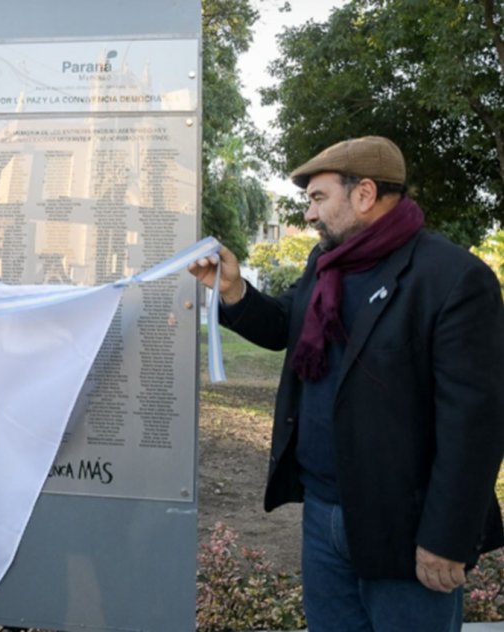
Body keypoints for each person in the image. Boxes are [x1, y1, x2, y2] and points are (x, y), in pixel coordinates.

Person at [189, 136, 504, 631]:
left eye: (318, 198)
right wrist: (233, 290)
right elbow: (285, 325)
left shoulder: (454, 279)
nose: (310, 215)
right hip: (322, 516)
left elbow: (475, 427)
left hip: (406, 525)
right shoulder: (326, 266)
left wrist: (446, 537)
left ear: (364, 195)